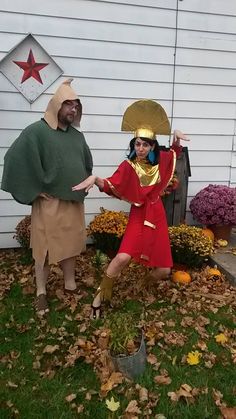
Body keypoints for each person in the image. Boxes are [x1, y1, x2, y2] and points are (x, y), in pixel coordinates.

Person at [72, 99, 189, 318]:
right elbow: (111, 183)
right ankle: (99, 295)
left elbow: (173, 154)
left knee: (163, 270)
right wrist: (95, 179)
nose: (141, 148)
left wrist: (176, 139)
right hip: (139, 215)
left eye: (145, 144)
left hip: (157, 216)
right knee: (123, 257)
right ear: (133, 145)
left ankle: (142, 284)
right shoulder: (128, 166)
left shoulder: (160, 162)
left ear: (152, 146)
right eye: (137, 144)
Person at [1, 79, 93, 315]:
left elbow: (86, 163)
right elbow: (14, 160)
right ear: (56, 106)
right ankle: (41, 291)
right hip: (49, 201)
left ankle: (69, 283)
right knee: (43, 247)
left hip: (73, 201)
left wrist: (85, 181)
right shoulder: (37, 131)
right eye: (68, 104)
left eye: (76, 105)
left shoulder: (76, 136)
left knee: (71, 244)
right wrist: (33, 189)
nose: (73, 109)